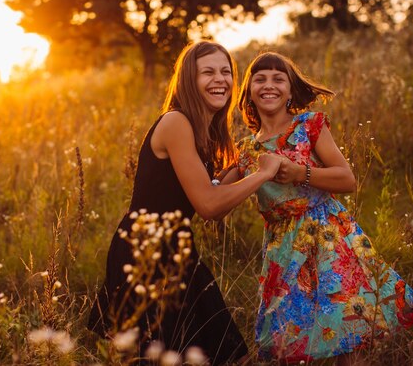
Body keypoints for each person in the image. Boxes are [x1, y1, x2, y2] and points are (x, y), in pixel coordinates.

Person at [88, 41, 282, 364]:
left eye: (225, 72)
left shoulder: (200, 129)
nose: (220, 79)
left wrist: (242, 166)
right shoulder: (176, 122)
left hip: (176, 251)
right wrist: (262, 175)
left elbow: (210, 193)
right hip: (145, 253)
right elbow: (208, 206)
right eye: (208, 72)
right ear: (189, 80)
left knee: (226, 353)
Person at [234, 52, 413, 364]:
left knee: (345, 326)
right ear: (248, 93)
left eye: (278, 78)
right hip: (283, 253)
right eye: (260, 78)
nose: (269, 85)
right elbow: (214, 188)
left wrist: (301, 174)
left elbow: (346, 178)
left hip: (330, 240)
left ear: (291, 91)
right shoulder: (245, 150)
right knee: (284, 338)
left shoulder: (308, 126)